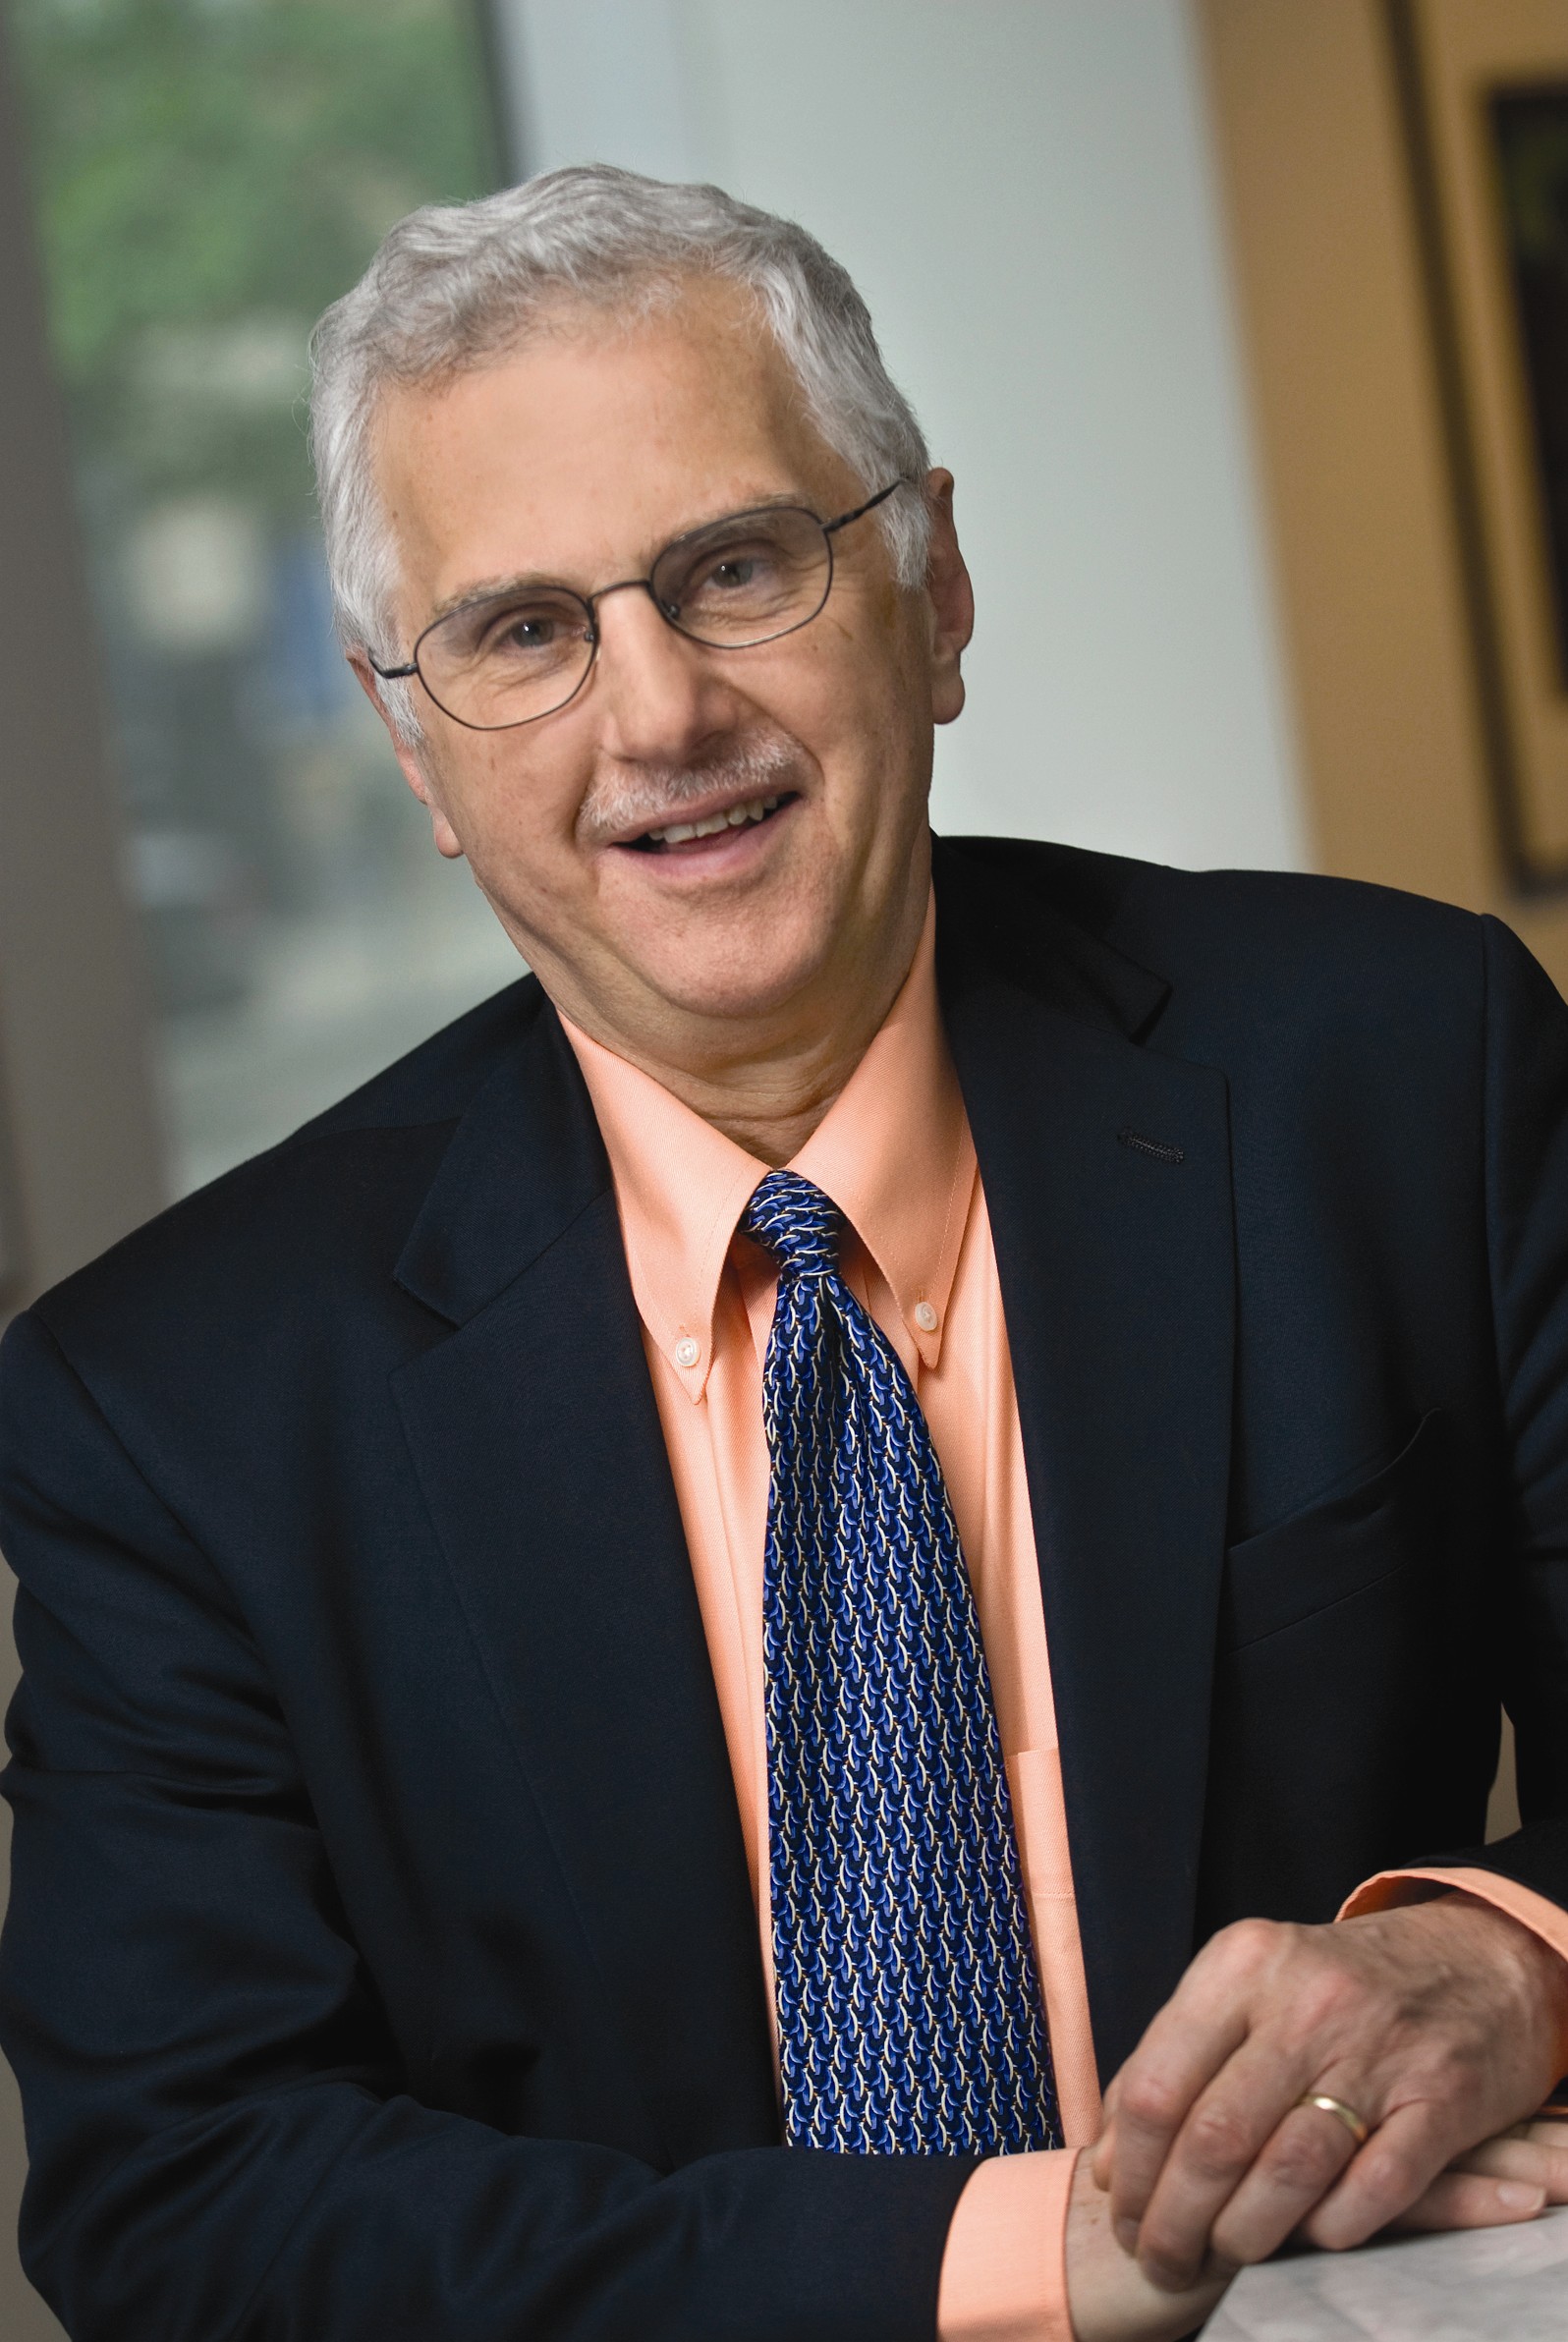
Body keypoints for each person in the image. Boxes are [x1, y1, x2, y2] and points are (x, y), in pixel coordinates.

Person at [4, 165, 1568, 2342]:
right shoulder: (174, 1406)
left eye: (735, 566)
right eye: (524, 630)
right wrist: (1051, 2254)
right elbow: (186, 2191)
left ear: (932, 590)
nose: (657, 718)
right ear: (414, 746)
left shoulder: (1398, 1069)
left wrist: (1508, 1953)